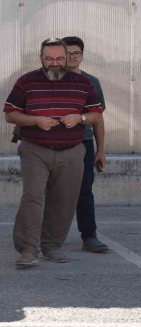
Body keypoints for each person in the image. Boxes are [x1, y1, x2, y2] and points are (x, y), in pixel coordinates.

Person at [4, 38, 104, 268]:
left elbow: (96, 114)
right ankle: (28, 250)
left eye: (59, 58)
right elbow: (10, 113)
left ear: (66, 58)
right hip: (35, 149)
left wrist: (79, 117)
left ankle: (52, 246)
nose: (55, 63)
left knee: (64, 200)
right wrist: (35, 120)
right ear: (41, 58)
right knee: (32, 197)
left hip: (72, 151)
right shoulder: (26, 81)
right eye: (49, 58)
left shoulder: (83, 83)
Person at [62, 36, 109, 253]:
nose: (72, 57)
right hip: (52, 143)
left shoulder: (91, 82)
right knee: (51, 191)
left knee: (84, 190)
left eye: (76, 53)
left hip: (83, 142)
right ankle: (49, 236)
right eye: (68, 53)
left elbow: (97, 117)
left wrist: (101, 150)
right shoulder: (49, 79)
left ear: (82, 55)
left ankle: (89, 236)